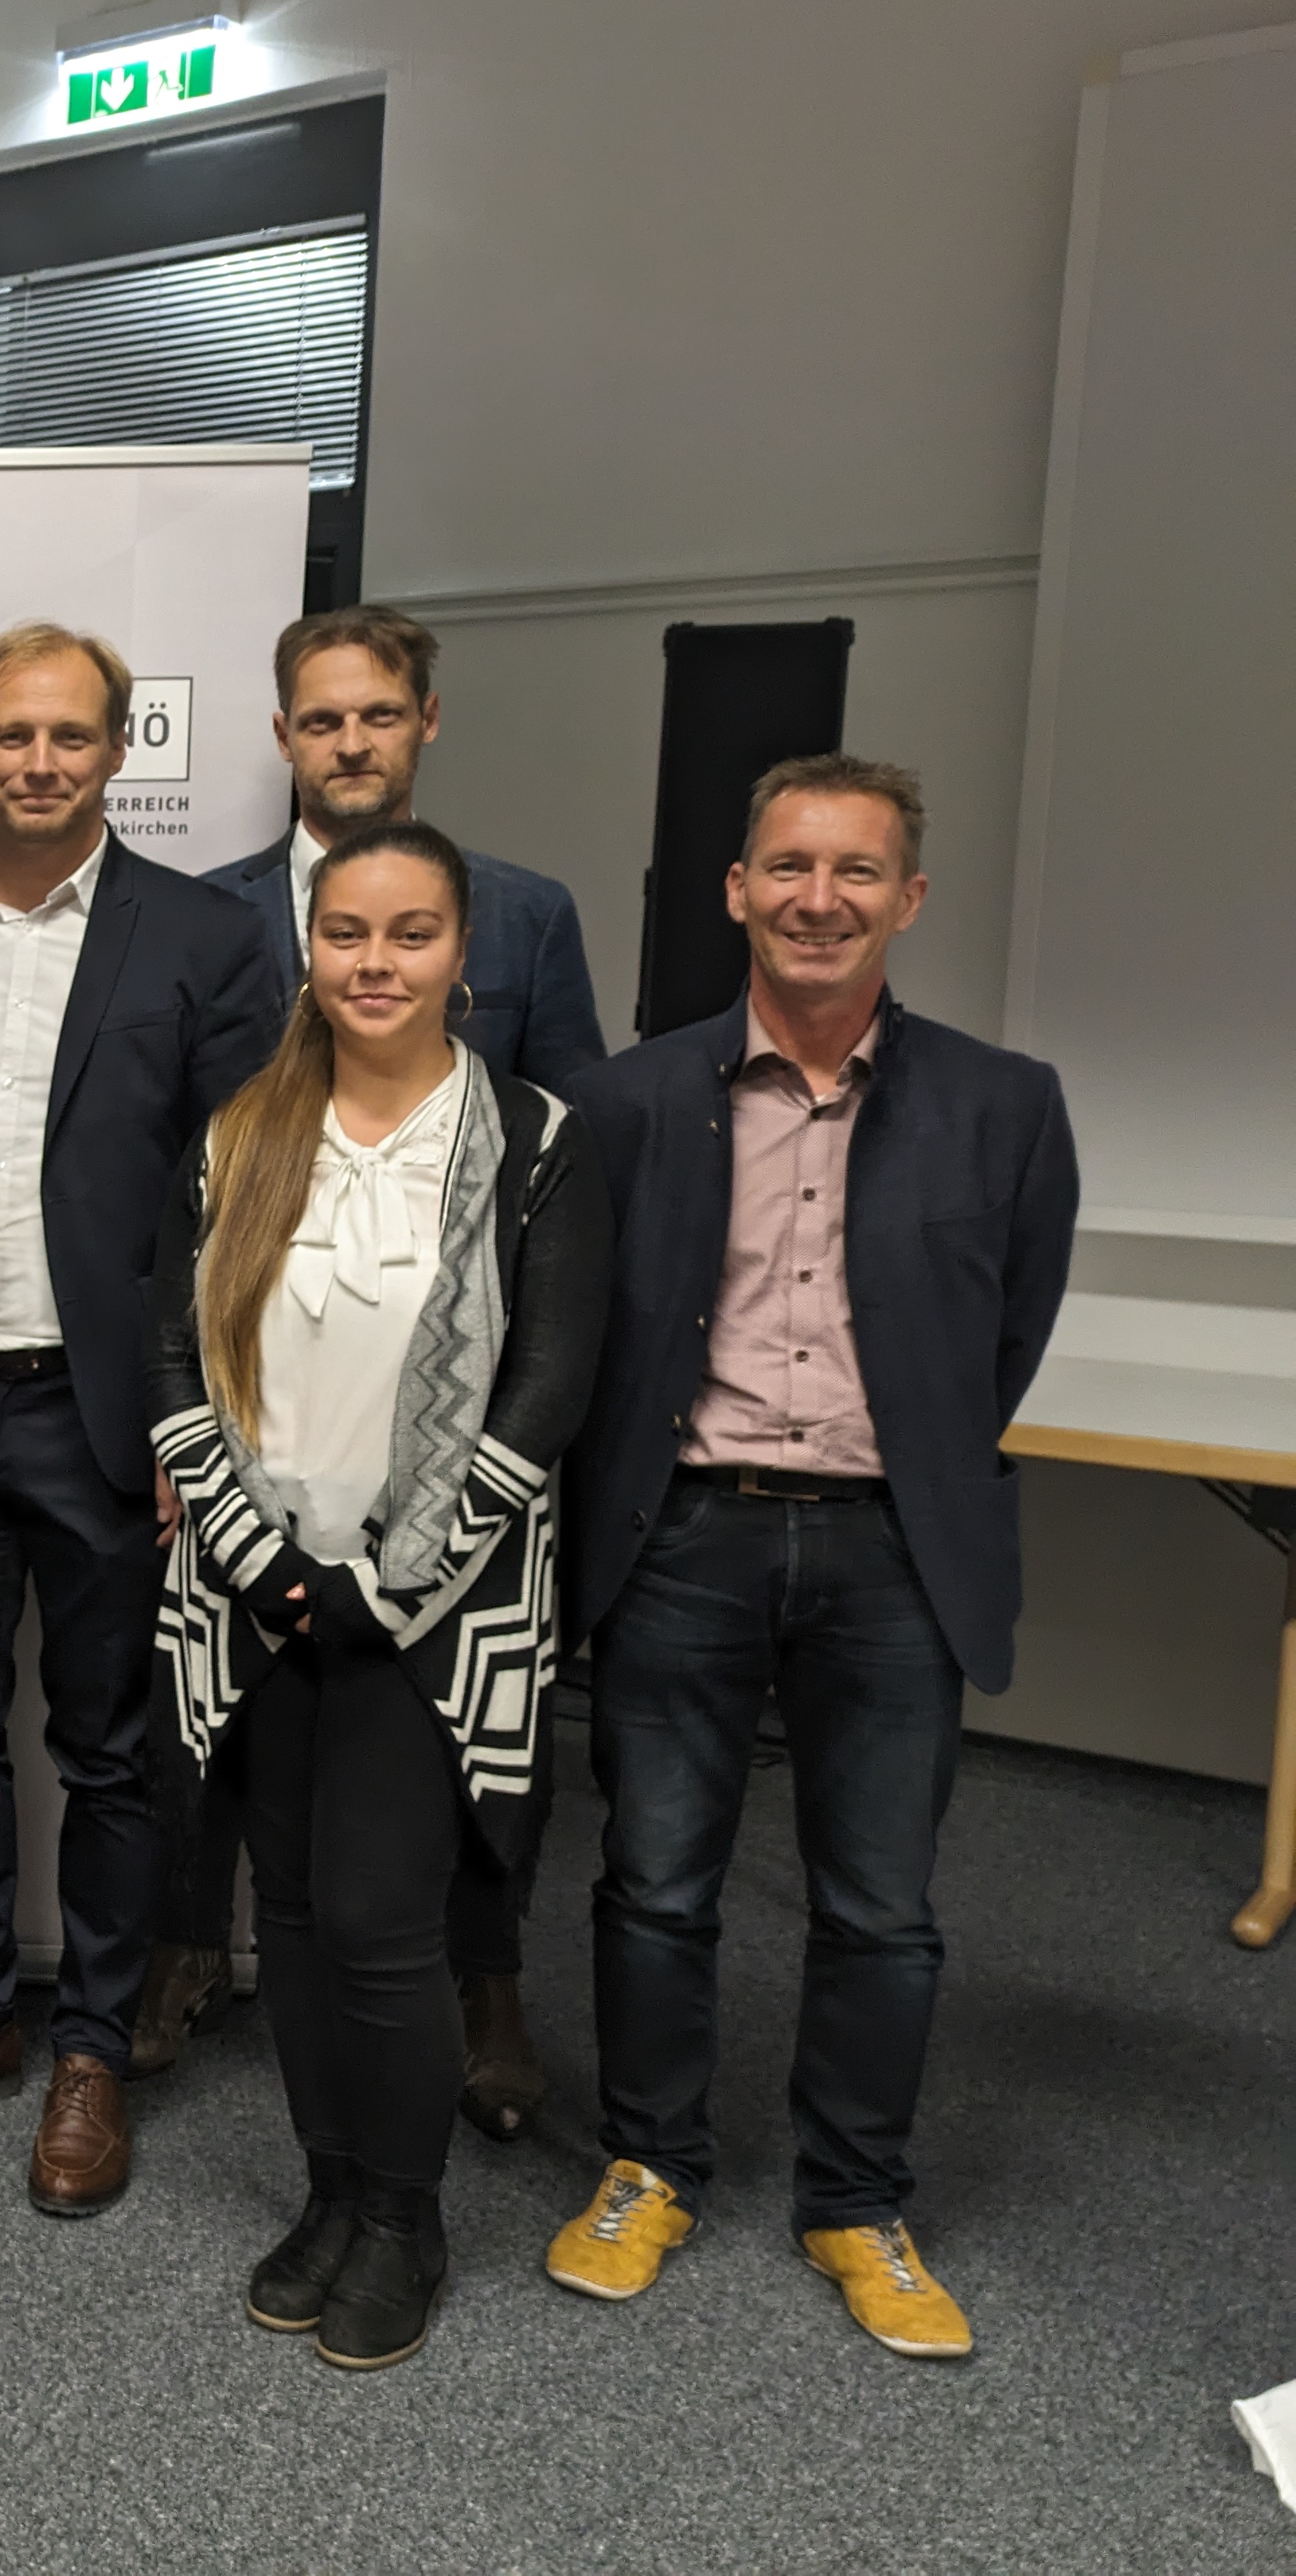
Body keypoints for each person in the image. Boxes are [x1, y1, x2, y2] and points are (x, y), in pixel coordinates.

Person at [545, 755, 1075, 2363]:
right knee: (653, 1882)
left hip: (892, 1550)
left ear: (907, 898)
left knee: (880, 1906)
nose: (817, 898)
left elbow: (1003, 1332)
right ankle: (651, 2164)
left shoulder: (1002, 1104)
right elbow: (592, 1331)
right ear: (736, 889)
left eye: (855, 871)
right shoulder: (629, 1100)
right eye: (787, 865)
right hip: (682, 1535)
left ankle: (854, 2198)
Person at [147, 819, 611, 2371]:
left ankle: (404, 2217)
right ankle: (331, 2188)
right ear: (310, 949)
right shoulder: (239, 1131)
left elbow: (549, 1382)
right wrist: (263, 1559)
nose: (375, 961)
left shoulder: (535, 1137)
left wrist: (396, 1574)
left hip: (435, 1606)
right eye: (346, 932)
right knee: (284, 1913)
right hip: (258, 1592)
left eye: (411, 933)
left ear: (462, 952)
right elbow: (170, 1356)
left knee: (379, 1921)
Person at [0, 622, 280, 2216]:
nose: (40, 761)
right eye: (12, 735)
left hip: (109, 1421)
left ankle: (90, 2042)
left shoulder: (207, 935)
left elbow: (244, 1198)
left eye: (70, 735)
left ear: (115, 749)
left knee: (110, 1750)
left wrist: (195, 1423)